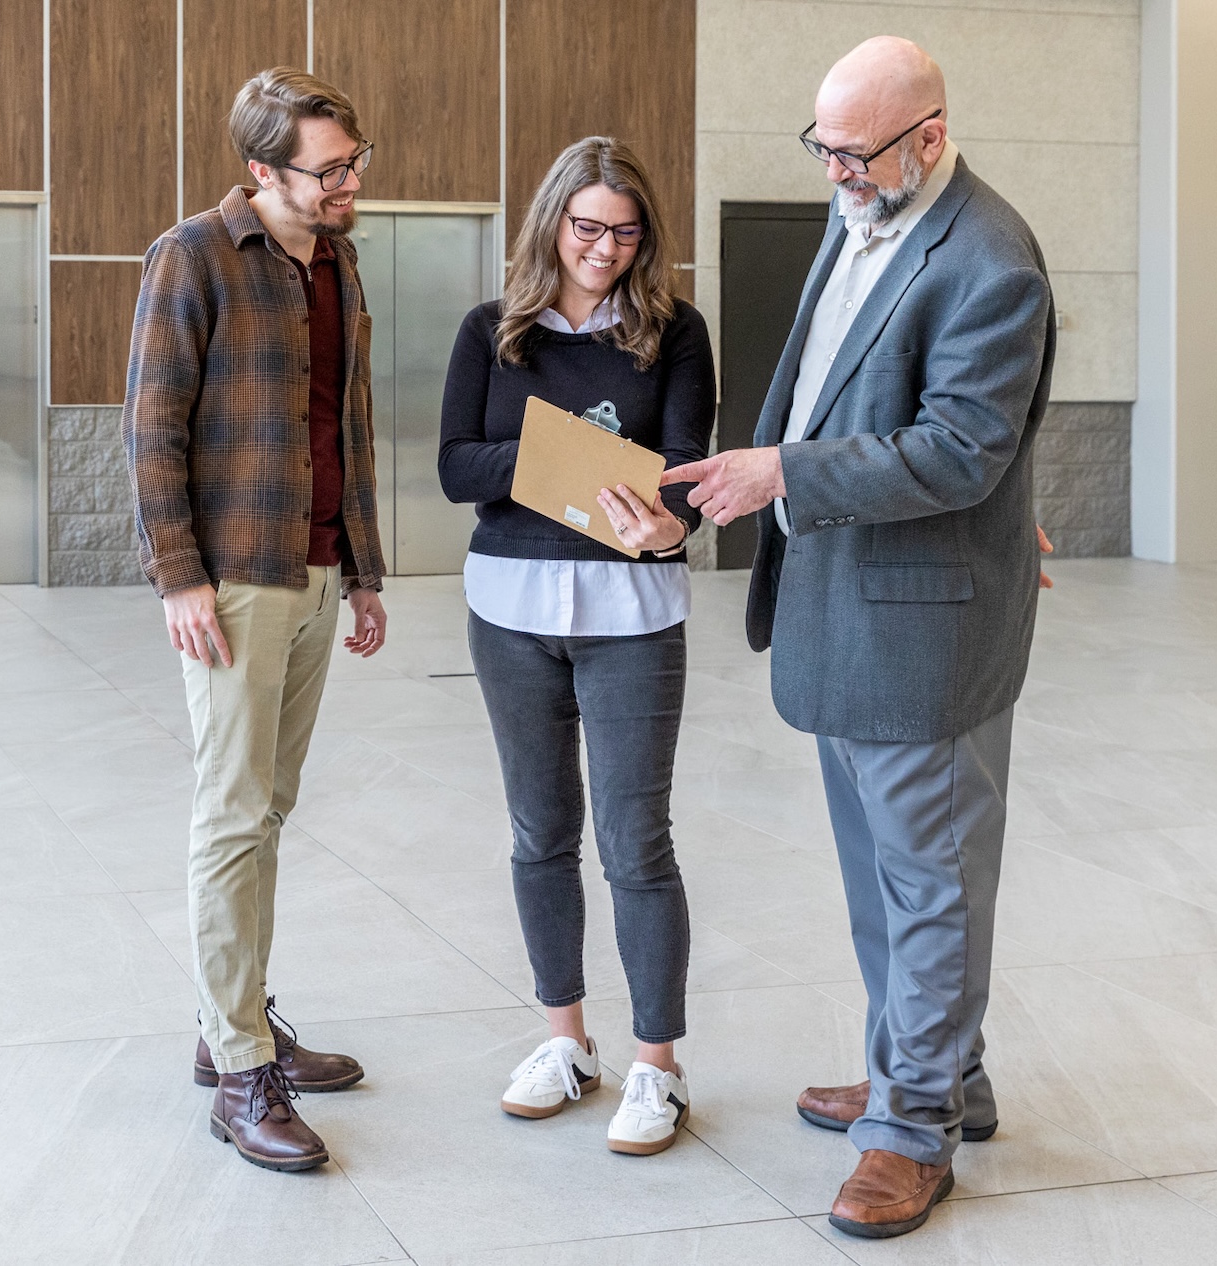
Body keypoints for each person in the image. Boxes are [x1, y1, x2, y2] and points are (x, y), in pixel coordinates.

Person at [663, 37, 1055, 1237]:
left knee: (925, 881)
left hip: (925, 628)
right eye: (820, 147)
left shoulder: (989, 260)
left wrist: (781, 471)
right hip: (847, 611)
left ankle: (910, 1128)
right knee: (885, 880)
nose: (833, 173)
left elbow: (957, 451)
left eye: (853, 152)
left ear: (926, 138)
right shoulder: (862, 215)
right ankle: (933, 1076)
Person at [124, 67, 387, 1174]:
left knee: (269, 808)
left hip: (319, 569)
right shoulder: (191, 255)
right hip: (233, 577)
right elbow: (149, 427)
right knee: (232, 813)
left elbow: (349, 421)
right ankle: (239, 1068)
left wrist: (364, 569)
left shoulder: (338, 261)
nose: (348, 184)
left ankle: (232, 1017)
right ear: (260, 172)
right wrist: (179, 576)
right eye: (328, 172)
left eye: (353, 163)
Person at [438, 137, 715, 1156]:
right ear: (553, 220)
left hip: (632, 616)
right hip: (508, 611)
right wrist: (562, 456)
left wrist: (668, 519)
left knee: (636, 844)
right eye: (588, 226)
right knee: (538, 833)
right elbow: (458, 467)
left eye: (626, 231)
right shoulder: (491, 331)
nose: (605, 247)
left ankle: (656, 1066)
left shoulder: (673, 332)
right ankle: (566, 1042)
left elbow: (685, 468)